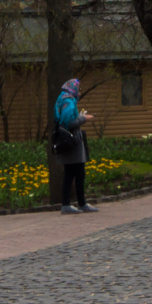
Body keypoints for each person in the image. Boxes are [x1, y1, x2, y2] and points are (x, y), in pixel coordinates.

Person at [53, 78, 96, 214]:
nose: (80, 92)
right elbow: (68, 123)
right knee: (78, 173)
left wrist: (80, 116)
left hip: (68, 142)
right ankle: (80, 203)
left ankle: (68, 204)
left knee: (70, 173)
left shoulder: (62, 98)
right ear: (73, 88)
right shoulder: (68, 101)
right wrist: (84, 118)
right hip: (72, 143)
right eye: (79, 89)